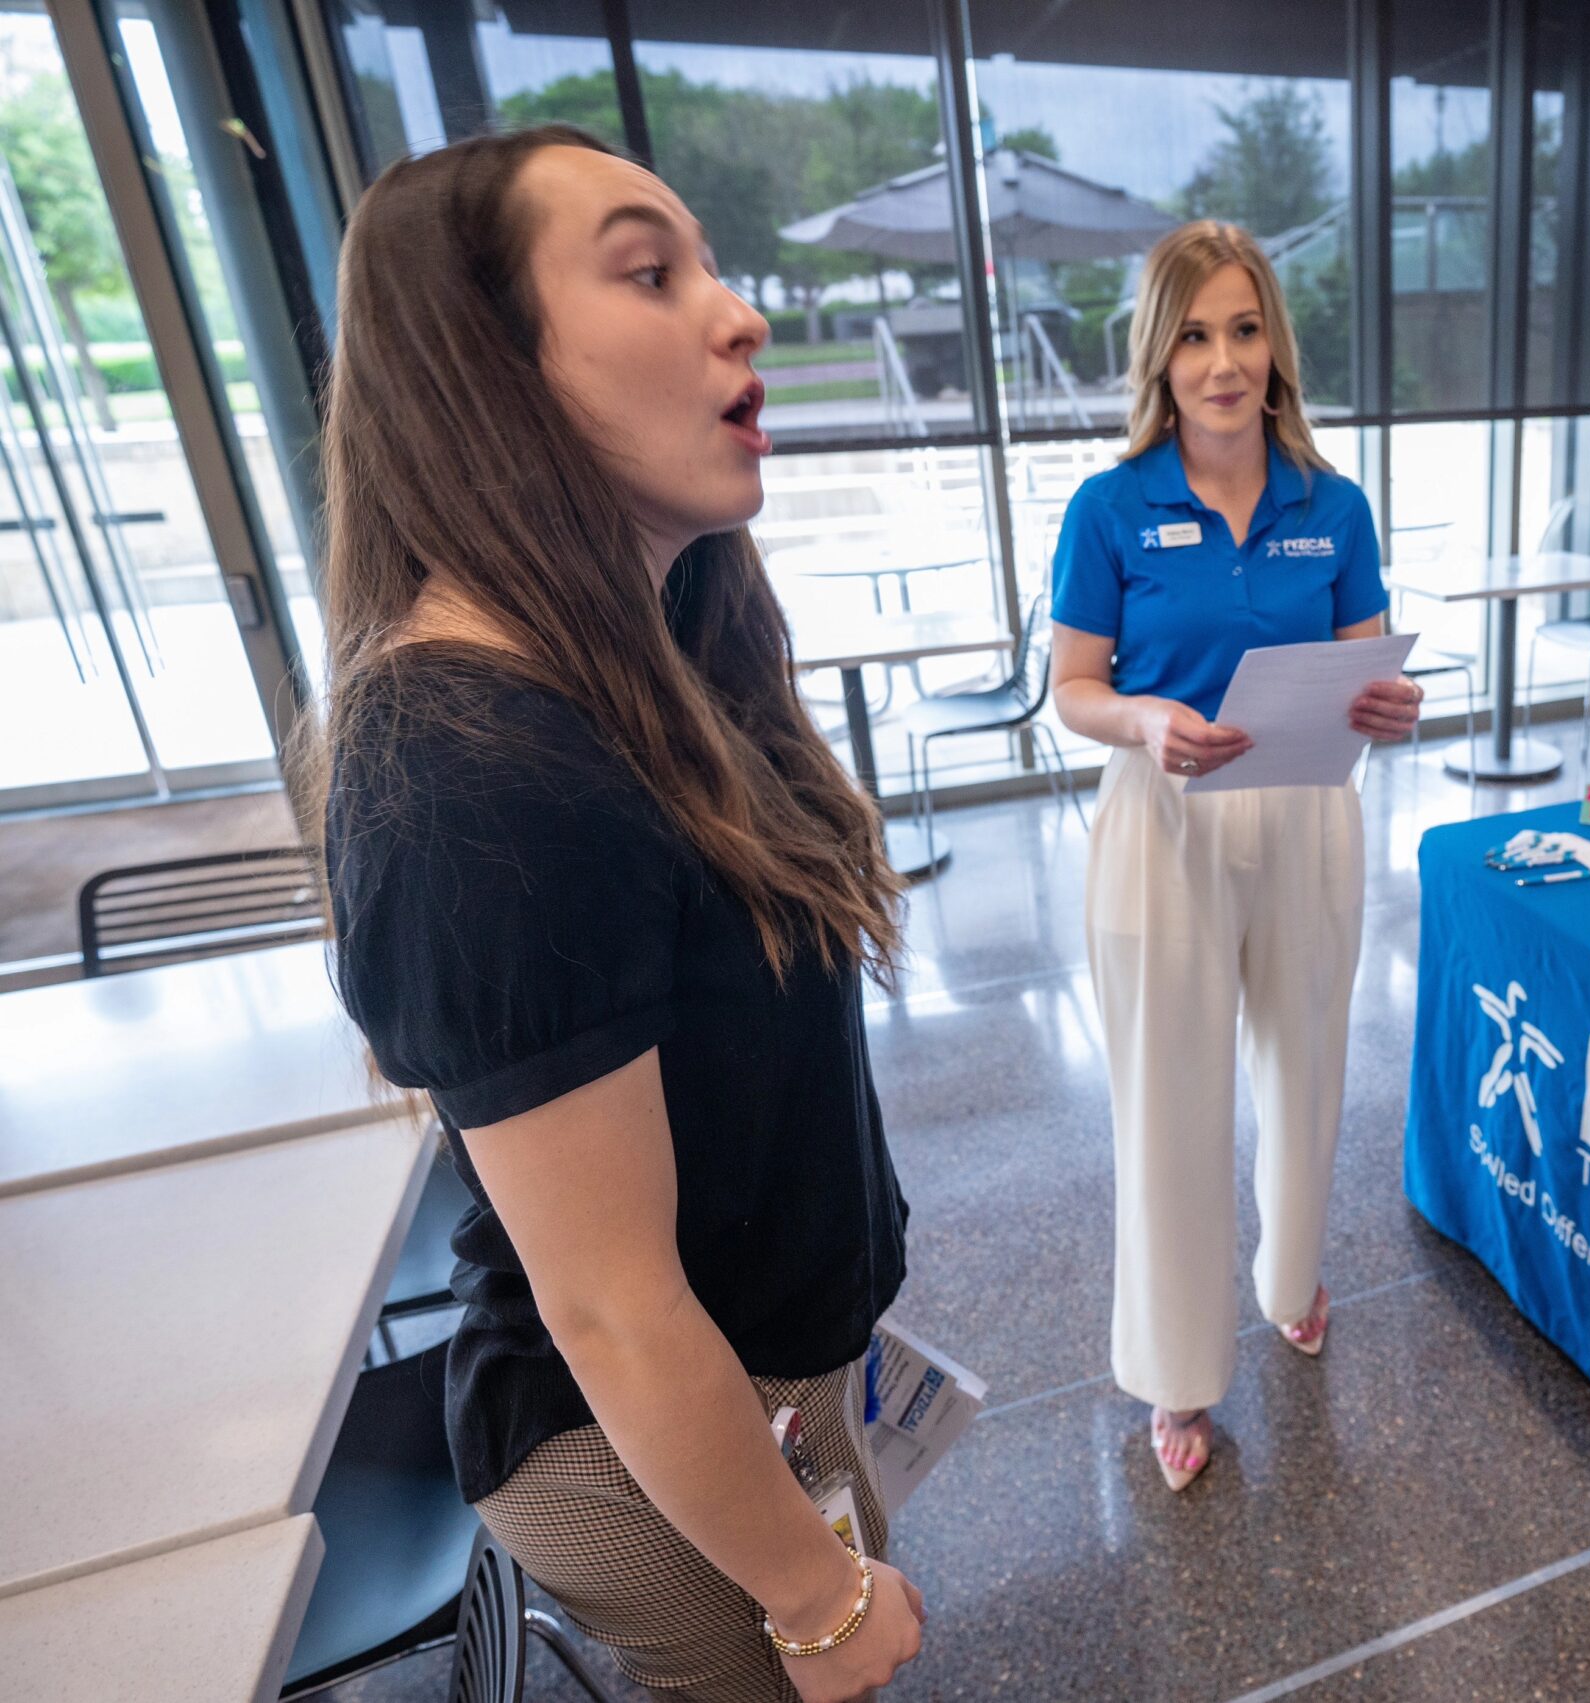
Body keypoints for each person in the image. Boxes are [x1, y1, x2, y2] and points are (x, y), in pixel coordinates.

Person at [312, 127, 923, 1703]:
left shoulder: (643, 662)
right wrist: (813, 1592)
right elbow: (607, 1299)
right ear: (481, 370)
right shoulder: (471, 760)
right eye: (650, 273)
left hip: (749, 1387)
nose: (739, 315)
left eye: (711, 266)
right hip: (649, 1436)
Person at [1050, 221, 1423, 1491]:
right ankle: (1175, 1371)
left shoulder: (1336, 504)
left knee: (1308, 1066)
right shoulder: (1111, 507)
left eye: (1245, 329)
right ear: (1161, 355)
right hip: (1164, 819)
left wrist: (1392, 703)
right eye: (1196, 334)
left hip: (1307, 809)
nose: (1224, 361)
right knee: (1169, 1100)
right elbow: (1073, 688)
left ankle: (1290, 1272)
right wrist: (1144, 719)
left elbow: (1367, 660)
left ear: (1276, 343)